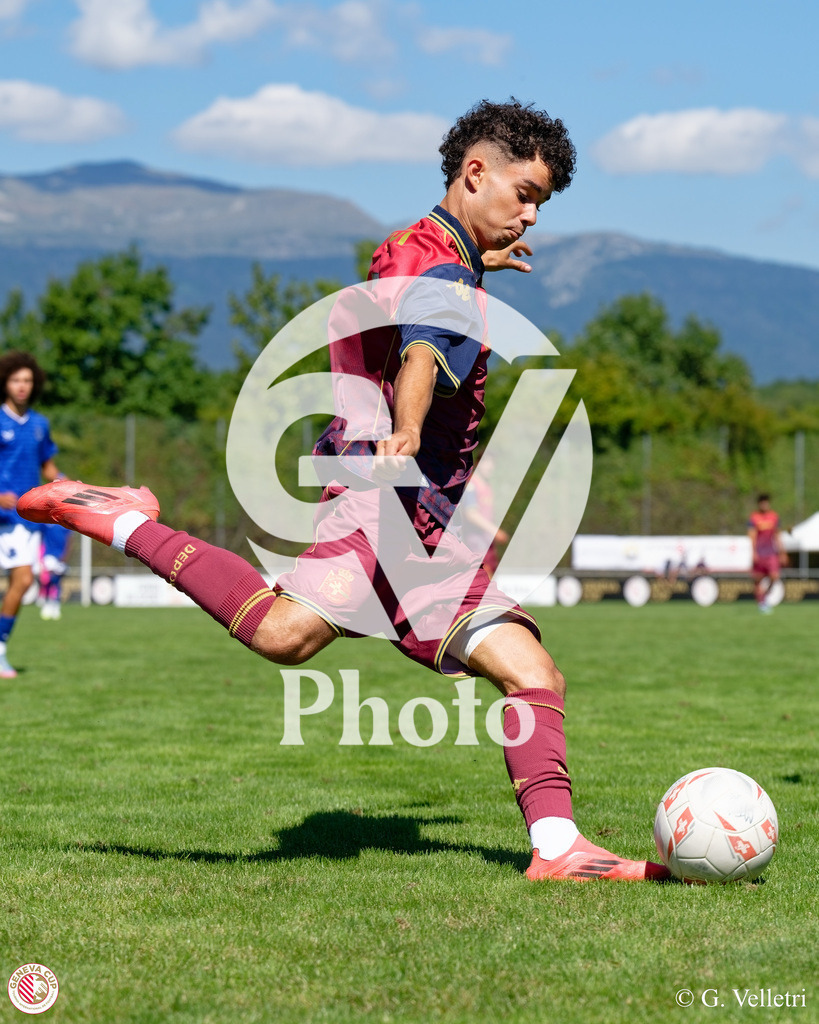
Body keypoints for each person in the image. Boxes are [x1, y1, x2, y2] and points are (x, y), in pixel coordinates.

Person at [18, 99, 668, 882]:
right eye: (524, 193)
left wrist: (470, 270)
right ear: (475, 172)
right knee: (285, 637)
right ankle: (126, 522)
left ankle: (558, 850)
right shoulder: (437, 265)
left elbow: (400, 295)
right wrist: (403, 431)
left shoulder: (424, 249)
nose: (529, 215)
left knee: (531, 670)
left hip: (425, 515)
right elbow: (421, 352)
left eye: (540, 203)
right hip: (382, 489)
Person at [0, 351, 62, 677]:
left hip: (22, 519)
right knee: (20, 580)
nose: (22, 386)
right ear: (5, 382)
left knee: (22, 580)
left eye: (27, 380)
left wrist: (68, 486)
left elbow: (48, 467)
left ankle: (0, 650)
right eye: (15, 379)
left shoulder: (39, 424)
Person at [748, 493, 786, 613]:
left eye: (766, 502)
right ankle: (762, 603)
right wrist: (753, 552)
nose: (764, 504)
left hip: (771, 553)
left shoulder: (774, 517)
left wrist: (782, 552)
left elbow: (777, 536)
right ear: (759, 504)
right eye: (762, 502)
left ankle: (765, 595)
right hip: (759, 553)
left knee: (775, 576)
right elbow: (752, 536)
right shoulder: (754, 517)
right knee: (758, 580)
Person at [37, 523, 72, 620]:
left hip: (61, 557)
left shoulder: (64, 524)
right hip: (49, 555)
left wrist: (66, 556)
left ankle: (55, 604)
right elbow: (40, 537)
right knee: (49, 580)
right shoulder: (46, 523)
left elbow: (69, 540)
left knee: (57, 581)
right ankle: (47, 603)